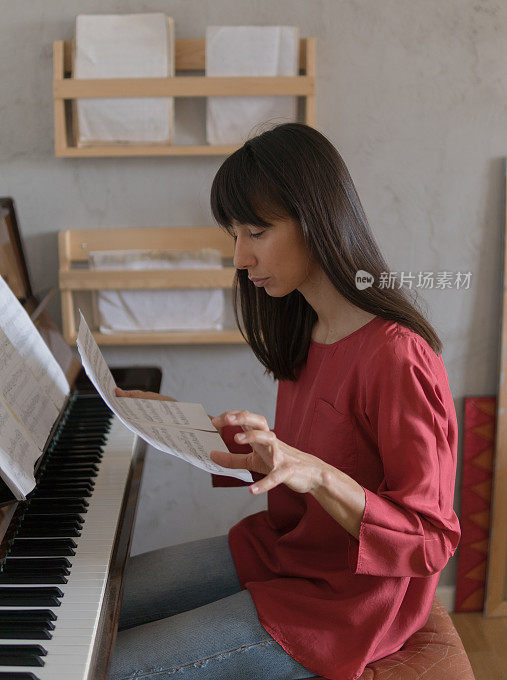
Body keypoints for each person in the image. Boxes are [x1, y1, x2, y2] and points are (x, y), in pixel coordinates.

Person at [108, 123, 461, 680]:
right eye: (234, 235)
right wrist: (174, 425)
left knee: (105, 664)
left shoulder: (398, 357)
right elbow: (305, 457)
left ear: (316, 220)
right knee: (99, 600)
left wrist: (316, 475)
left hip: (343, 606)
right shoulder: (308, 327)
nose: (242, 258)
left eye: (256, 231)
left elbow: (431, 539)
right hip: (283, 551)